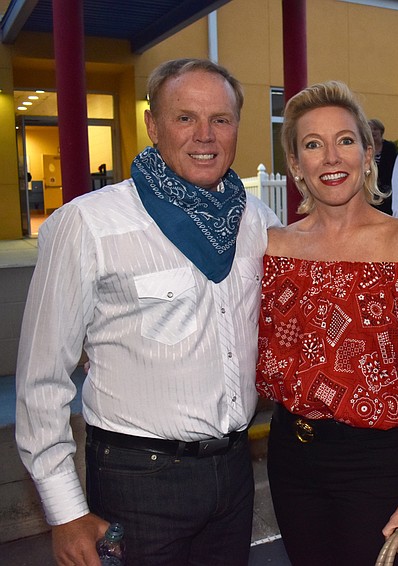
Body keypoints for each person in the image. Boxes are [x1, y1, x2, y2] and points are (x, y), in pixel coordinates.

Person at [15, 58, 280, 566]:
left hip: (234, 473)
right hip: (138, 480)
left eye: (220, 120)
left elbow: (329, 267)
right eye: (185, 118)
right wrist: (66, 512)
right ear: (153, 126)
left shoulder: (256, 221)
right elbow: (41, 380)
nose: (205, 136)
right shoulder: (87, 225)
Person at [257, 80, 398, 566]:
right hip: (292, 458)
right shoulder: (274, 247)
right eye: (313, 145)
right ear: (294, 164)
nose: (331, 157)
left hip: (375, 463)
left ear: (369, 153)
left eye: (345, 141)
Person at [369, 118, 398, 215]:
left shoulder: (390, 147)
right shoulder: (365, 148)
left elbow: (393, 168)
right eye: (370, 129)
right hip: (369, 189)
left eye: (375, 129)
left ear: (381, 131)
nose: (372, 132)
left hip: (386, 191)